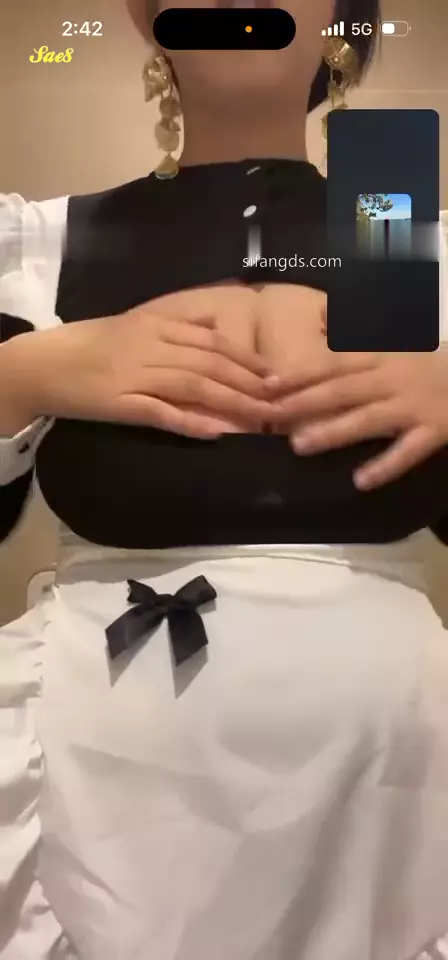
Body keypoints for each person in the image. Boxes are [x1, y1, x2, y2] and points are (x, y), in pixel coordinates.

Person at [1, 0, 448, 957]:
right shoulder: (38, 243)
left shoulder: (406, 232)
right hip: (103, 763)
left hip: (387, 776)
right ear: (144, 13)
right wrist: (26, 375)